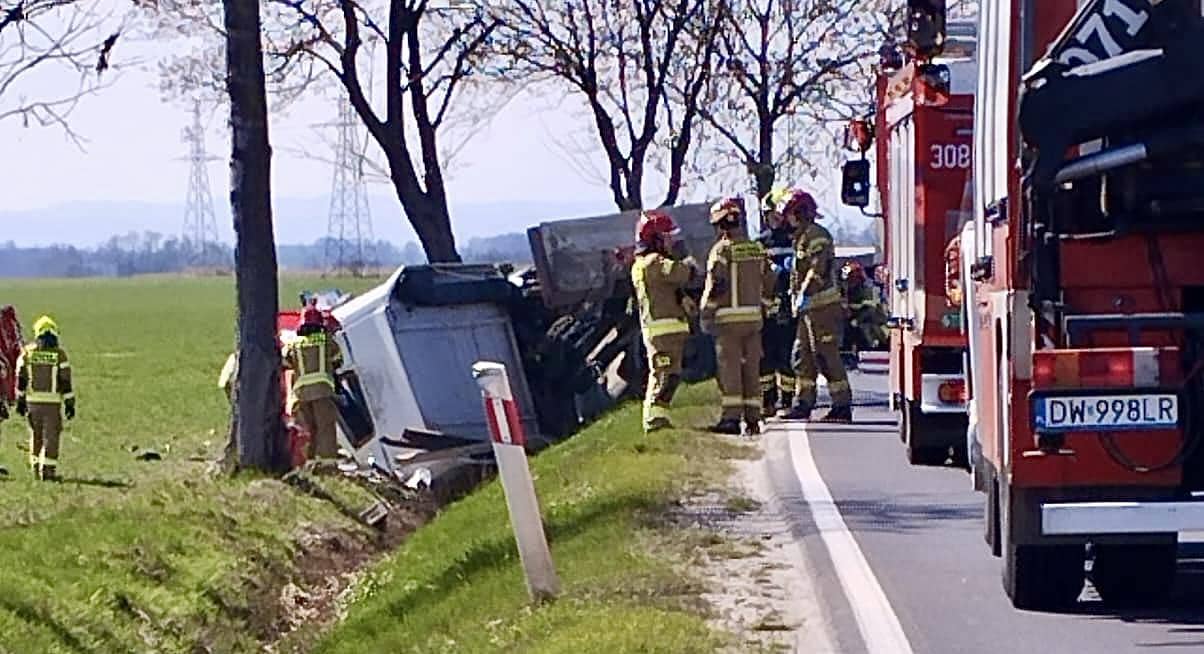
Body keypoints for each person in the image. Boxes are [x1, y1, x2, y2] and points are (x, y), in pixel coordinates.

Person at [701, 197, 776, 435]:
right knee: (752, 368)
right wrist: (763, 306)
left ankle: (731, 419)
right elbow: (769, 280)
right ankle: (754, 418)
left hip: (727, 321)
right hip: (754, 320)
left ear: (721, 225)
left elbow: (716, 284)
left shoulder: (722, 250)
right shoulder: (756, 249)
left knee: (730, 369)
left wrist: (706, 313)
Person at [780, 189, 853, 422]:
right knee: (802, 356)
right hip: (807, 310)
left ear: (800, 213)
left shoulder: (817, 235)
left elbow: (817, 269)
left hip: (823, 307)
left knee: (826, 355)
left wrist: (804, 294)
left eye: (790, 213)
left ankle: (841, 406)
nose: (787, 219)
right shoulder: (801, 237)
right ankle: (803, 403)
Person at [631, 209, 698, 433]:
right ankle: (654, 420)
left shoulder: (644, 264)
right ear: (655, 238)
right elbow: (684, 274)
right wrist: (686, 259)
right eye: (667, 236)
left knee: (669, 375)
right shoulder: (654, 262)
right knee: (664, 375)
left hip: (664, 331)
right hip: (663, 333)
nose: (671, 241)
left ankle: (659, 418)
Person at [281, 302, 344, 462]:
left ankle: (308, 462)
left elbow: (286, 362)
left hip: (301, 395)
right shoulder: (326, 341)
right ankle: (327, 465)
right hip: (322, 392)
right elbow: (338, 360)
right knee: (326, 428)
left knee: (309, 431)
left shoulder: (294, 344)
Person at [15, 315, 75, 480]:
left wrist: (20, 400)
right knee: (51, 437)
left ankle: (36, 467)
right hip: (52, 404)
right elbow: (65, 381)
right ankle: (47, 472)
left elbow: (21, 378)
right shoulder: (59, 355)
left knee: (36, 436)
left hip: (32, 403)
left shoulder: (27, 353)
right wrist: (70, 403)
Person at [757, 188, 800, 415]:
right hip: (765, 310)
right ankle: (767, 400)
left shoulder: (795, 240)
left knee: (786, 356)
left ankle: (787, 399)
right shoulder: (761, 243)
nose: (772, 220)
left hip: (789, 307)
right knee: (765, 357)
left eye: (775, 214)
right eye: (768, 216)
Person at [841, 261, 888, 360]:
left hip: (872, 321)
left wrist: (857, 319)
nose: (851, 281)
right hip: (851, 319)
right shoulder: (844, 288)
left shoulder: (869, 288)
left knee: (861, 327)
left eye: (853, 277)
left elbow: (871, 309)